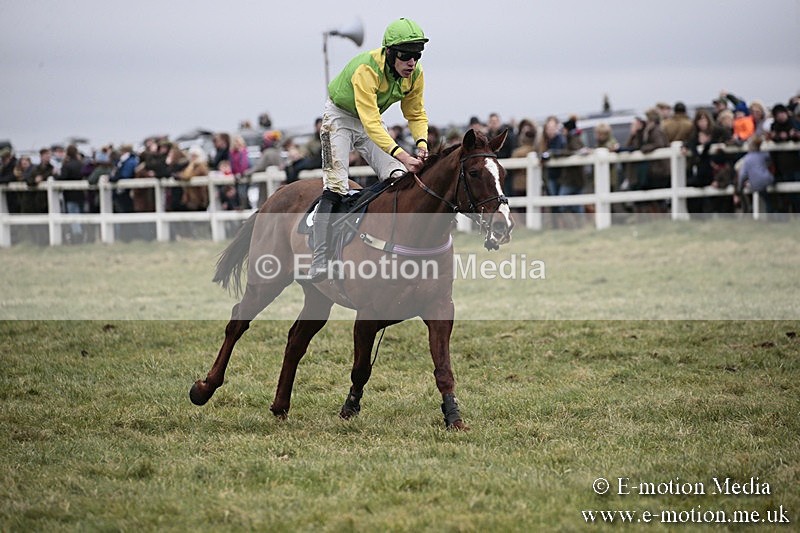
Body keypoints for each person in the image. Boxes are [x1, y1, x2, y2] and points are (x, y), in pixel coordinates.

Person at [308, 17, 430, 281]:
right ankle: (320, 257)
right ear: (389, 53)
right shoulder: (367, 69)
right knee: (336, 185)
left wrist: (421, 144)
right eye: (406, 56)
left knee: (397, 175)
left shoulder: (415, 75)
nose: (412, 63)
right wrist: (404, 155)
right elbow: (372, 122)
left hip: (368, 120)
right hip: (339, 118)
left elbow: (416, 113)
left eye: (417, 56)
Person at [59, 144, 86, 243]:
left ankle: (77, 237)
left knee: (73, 216)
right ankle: (83, 236)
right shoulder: (81, 164)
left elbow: (62, 178)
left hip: (70, 195)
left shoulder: (67, 165)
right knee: (81, 216)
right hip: (81, 194)